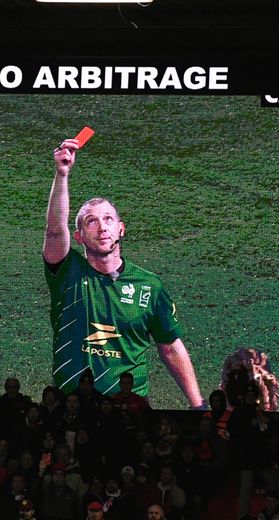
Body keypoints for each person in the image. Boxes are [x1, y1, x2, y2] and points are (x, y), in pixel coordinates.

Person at [43, 139, 205, 408]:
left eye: (108, 219)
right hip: (71, 406)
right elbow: (54, 230)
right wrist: (62, 175)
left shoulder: (149, 286)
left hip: (130, 411)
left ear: (121, 229)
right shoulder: (66, 273)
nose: (101, 227)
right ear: (79, 237)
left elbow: (170, 347)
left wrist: (199, 405)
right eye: (91, 221)